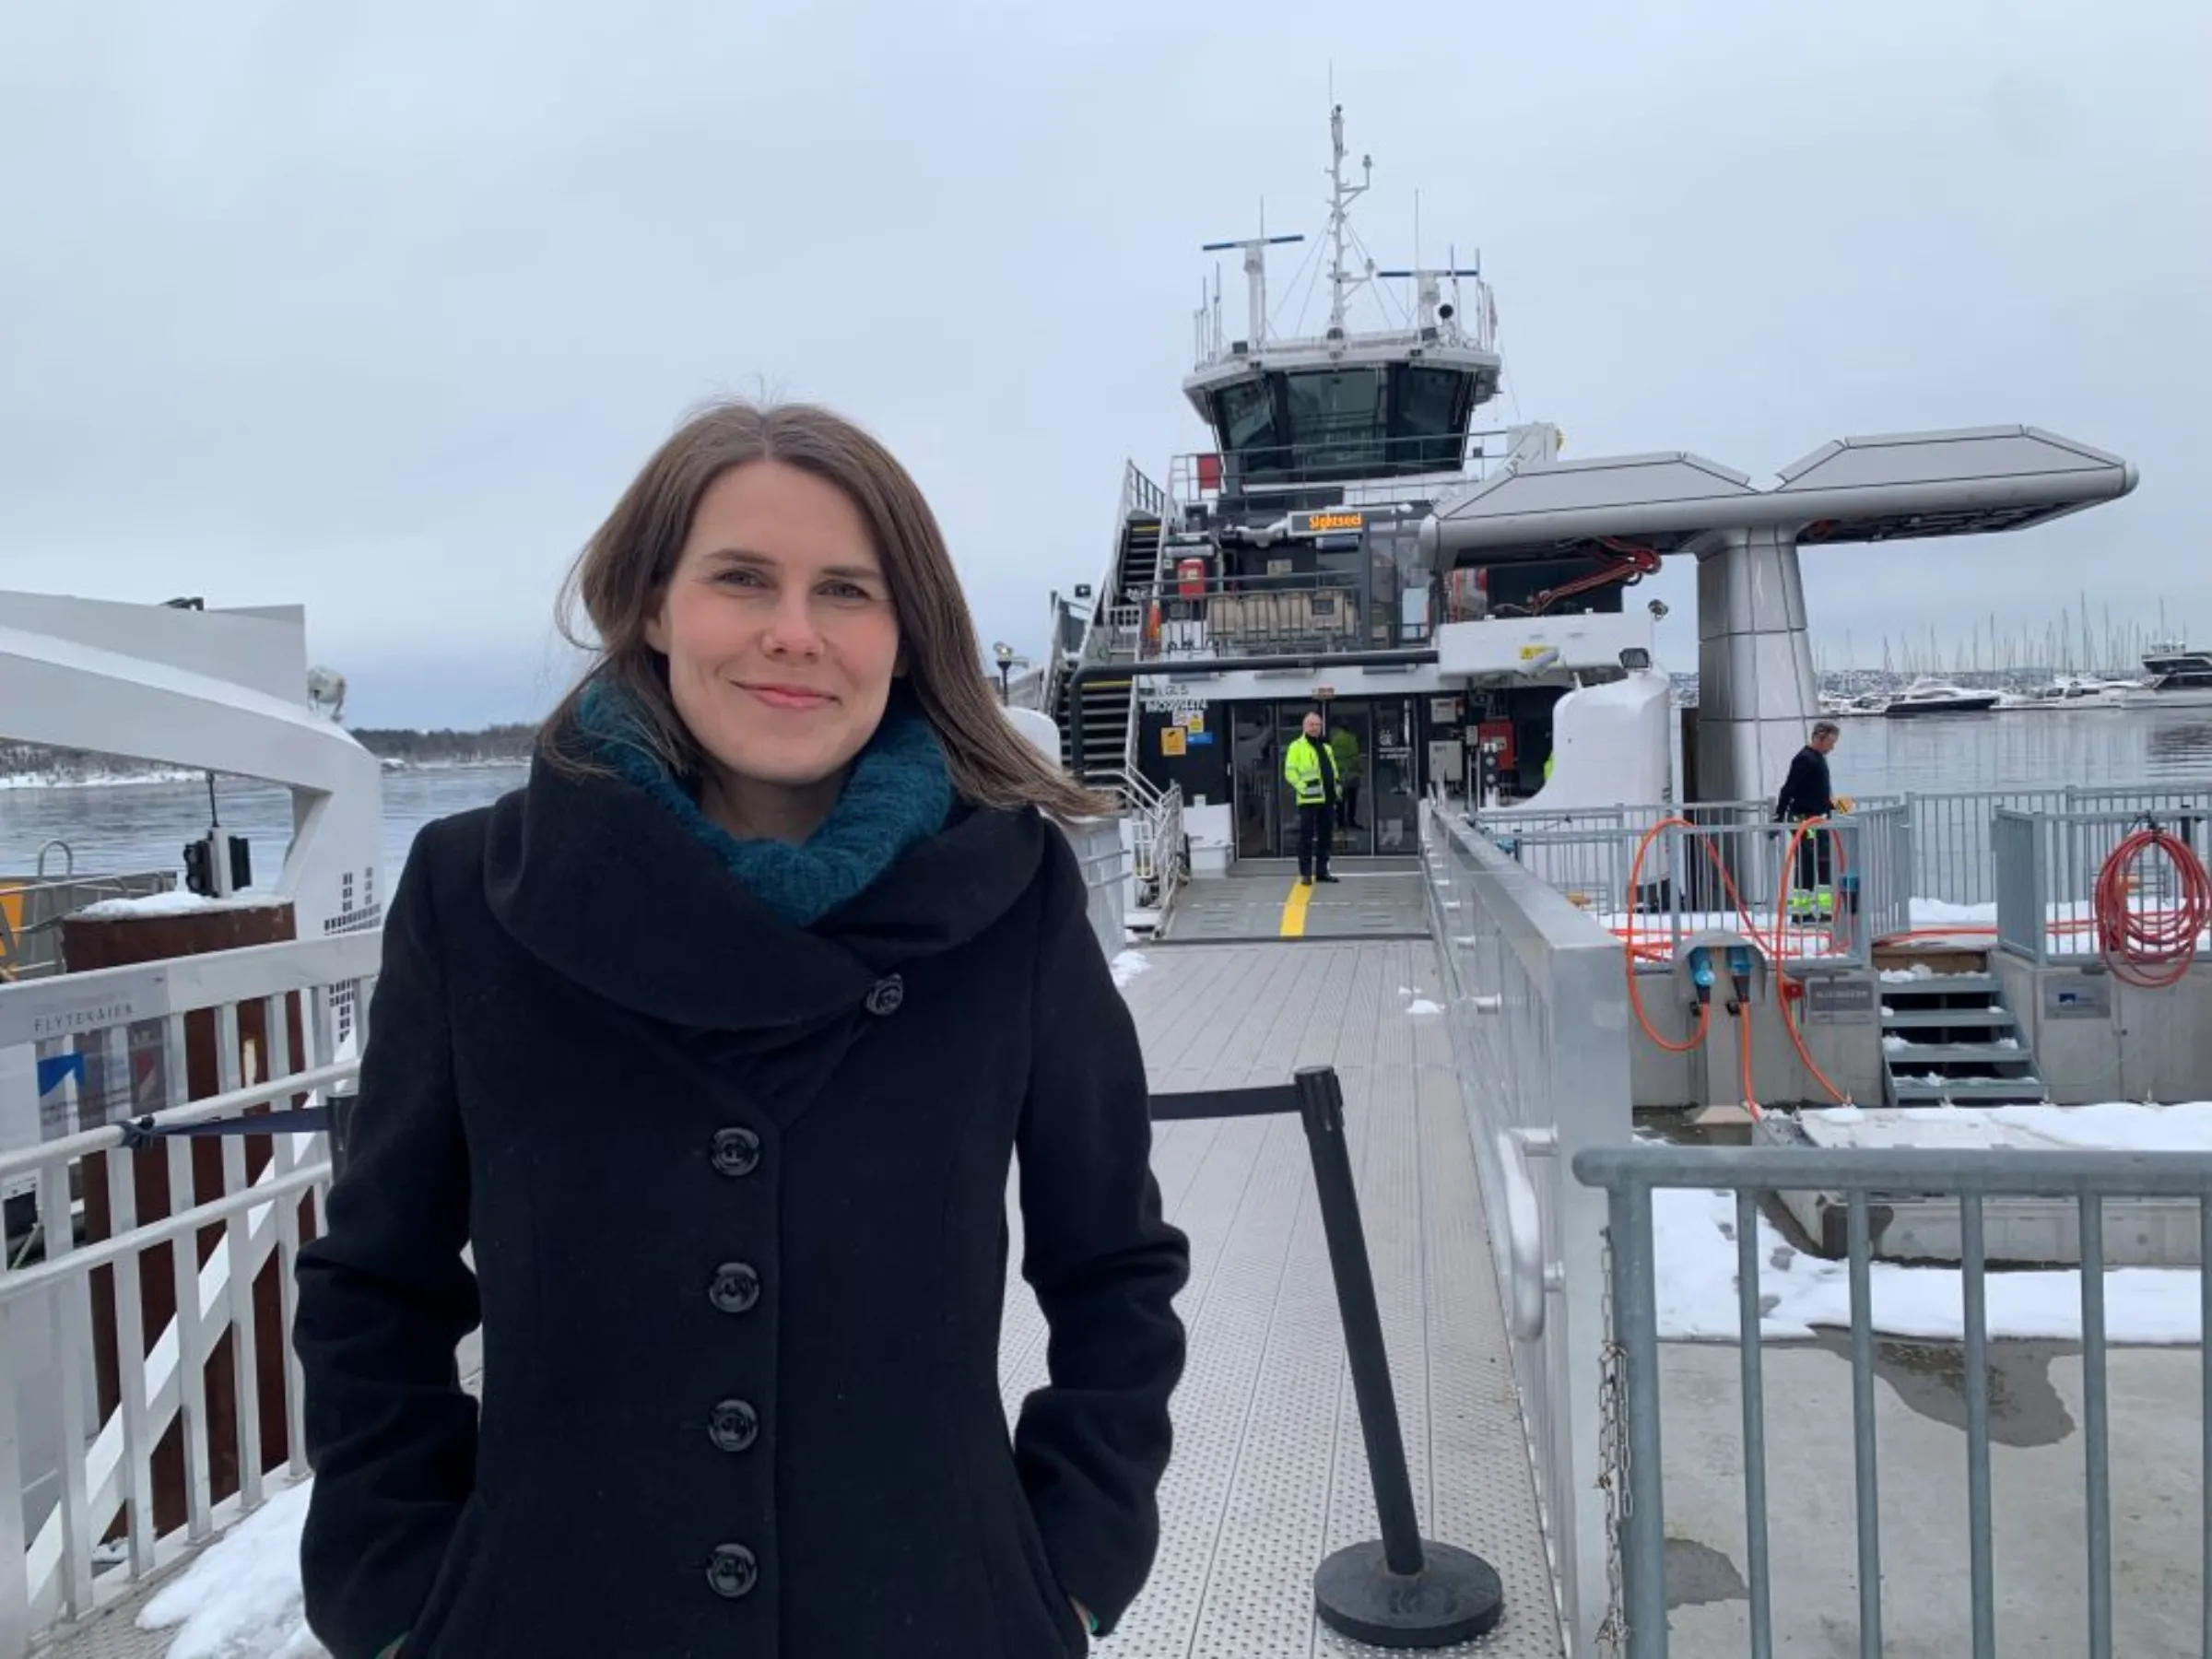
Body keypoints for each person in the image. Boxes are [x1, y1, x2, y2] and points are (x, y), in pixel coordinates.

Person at [292, 401, 1193, 1659]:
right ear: (654, 610)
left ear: (902, 633)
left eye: (846, 590)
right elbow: (376, 1284)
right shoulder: (475, 897)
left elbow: (1113, 1266)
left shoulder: (1010, 899)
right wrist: (398, 1597)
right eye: (741, 580)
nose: (793, 633)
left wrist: (1075, 1565)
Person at [1773, 720, 1853, 920]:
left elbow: (1816, 793)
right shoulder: (1805, 759)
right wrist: (1779, 816)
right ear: (1819, 737)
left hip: (1815, 817)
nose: (1833, 747)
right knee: (1818, 860)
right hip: (1804, 819)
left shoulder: (1817, 759)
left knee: (1814, 862)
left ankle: (1813, 910)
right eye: (1831, 742)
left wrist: (1834, 806)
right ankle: (1809, 911)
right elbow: (1788, 789)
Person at [1283, 710, 1341, 885]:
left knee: (1325, 837)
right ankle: (1306, 873)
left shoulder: (1326, 747)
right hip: (1308, 801)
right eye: (1311, 724)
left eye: (1318, 725)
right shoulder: (1296, 746)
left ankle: (1322, 871)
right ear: (1304, 726)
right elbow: (1290, 772)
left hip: (1327, 800)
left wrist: (1337, 788)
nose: (1315, 727)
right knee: (1306, 838)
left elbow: (1333, 770)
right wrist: (1303, 788)